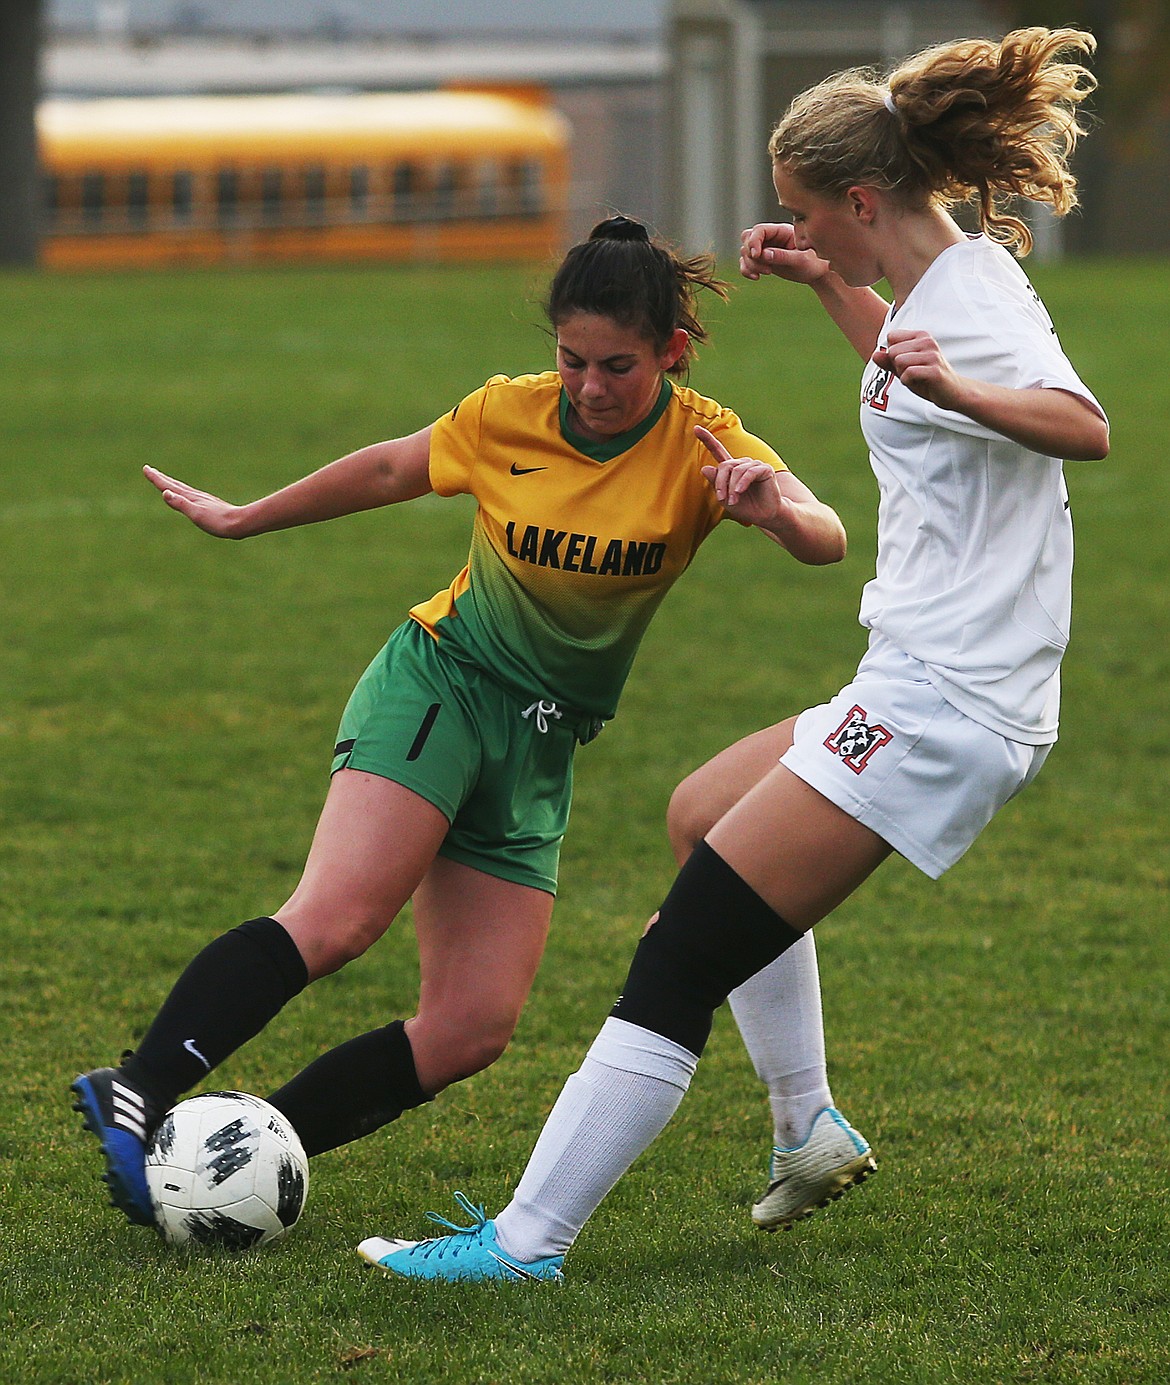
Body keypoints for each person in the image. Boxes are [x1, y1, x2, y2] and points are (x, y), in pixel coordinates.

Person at [358, 25, 1110, 1283]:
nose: (804, 228)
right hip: (914, 675)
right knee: (702, 812)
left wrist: (973, 394)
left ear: (863, 199)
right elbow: (914, 369)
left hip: (950, 702)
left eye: (812, 215)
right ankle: (807, 1123)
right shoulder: (933, 286)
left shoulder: (973, 298)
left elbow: (1079, 426)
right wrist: (830, 283)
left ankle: (526, 1241)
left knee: (679, 954)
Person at [71, 215, 853, 1230]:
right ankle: (138, 1085)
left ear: (671, 349)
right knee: (340, 916)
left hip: (539, 743)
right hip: (442, 682)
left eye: (617, 365)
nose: (589, 386)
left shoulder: (705, 440)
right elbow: (396, 468)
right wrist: (244, 514)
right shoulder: (509, 414)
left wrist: (772, 507)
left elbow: (827, 537)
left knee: (470, 1025)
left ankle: (241, 1155)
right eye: (572, 360)